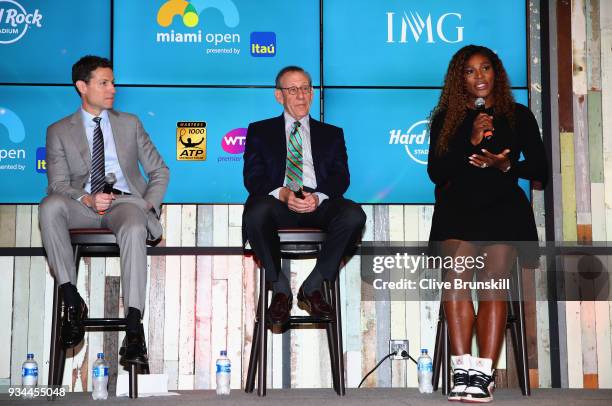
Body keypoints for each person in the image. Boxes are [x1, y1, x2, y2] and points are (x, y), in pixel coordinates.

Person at [427, 45, 547, 403]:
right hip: (458, 209)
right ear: (458, 78)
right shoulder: (446, 118)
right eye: (470, 71)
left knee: (493, 282)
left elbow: (540, 169)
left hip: (503, 208)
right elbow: (436, 172)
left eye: (485, 69)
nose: (479, 77)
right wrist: (471, 140)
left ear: (496, 72)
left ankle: (483, 374)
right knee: (457, 280)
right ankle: (461, 369)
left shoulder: (518, 115)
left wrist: (505, 166)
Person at [39, 55, 169, 365]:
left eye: (112, 82)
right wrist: (86, 199)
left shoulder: (130, 123)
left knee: (136, 225)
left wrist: (148, 204)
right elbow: (57, 184)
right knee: (48, 206)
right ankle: (72, 304)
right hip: (81, 206)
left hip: (124, 203)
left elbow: (160, 171)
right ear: (82, 87)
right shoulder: (58, 130)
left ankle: (134, 327)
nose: (112, 88)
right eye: (104, 83)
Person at [242, 66, 366, 325]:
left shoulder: (332, 133)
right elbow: (253, 179)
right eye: (293, 89)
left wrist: (319, 197)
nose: (301, 95)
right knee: (256, 209)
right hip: (279, 202)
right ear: (279, 96)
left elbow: (341, 178)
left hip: (317, 203)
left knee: (353, 214)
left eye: (306, 89)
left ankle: (313, 285)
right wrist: (284, 194)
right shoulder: (259, 131)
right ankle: (280, 288)